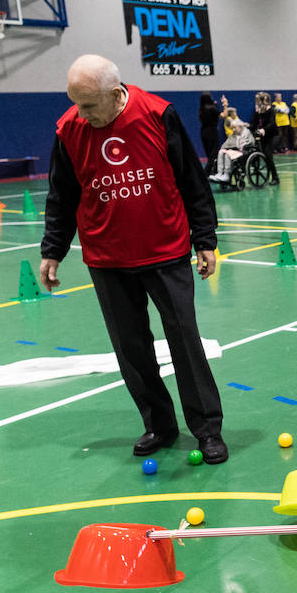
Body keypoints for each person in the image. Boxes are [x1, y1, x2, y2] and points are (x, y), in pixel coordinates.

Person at [40, 54, 228, 465]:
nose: (82, 114)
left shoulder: (157, 115)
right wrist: (52, 250)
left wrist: (205, 239)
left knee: (185, 341)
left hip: (165, 252)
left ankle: (207, 429)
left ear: (114, 92)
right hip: (107, 259)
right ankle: (159, 425)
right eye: (76, 104)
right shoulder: (69, 130)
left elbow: (191, 182)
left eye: (89, 105)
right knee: (132, 350)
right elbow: (62, 195)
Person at [249, 92, 280, 184]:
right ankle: (256, 169)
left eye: (258, 100)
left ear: (263, 101)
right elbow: (253, 123)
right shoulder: (258, 111)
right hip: (261, 136)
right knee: (252, 151)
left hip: (272, 136)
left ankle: (275, 178)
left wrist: (263, 129)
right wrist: (246, 126)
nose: (257, 102)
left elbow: (272, 123)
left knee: (268, 156)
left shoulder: (271, 110)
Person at [209, 118, 253, 184]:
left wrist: (234, 148)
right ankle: (220, 173)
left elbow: (247, 144)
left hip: (244, 152)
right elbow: (227, 143)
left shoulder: (246, 132)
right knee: (221, 152)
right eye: (232, 128)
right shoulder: (234, 134)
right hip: (234, 151)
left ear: (240, 127)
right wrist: (224, 148)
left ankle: (227, 175)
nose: (233, 130)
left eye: (234, 128)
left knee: (228, 154)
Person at [197, 93, 221, 174]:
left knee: (209, 152)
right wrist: (224, 104)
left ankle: (213, 170)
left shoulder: (201, 109)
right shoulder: (213, 108)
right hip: (212, 131)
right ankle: (206, 172)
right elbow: (222, 115)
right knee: (213, 152)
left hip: (204, 131)